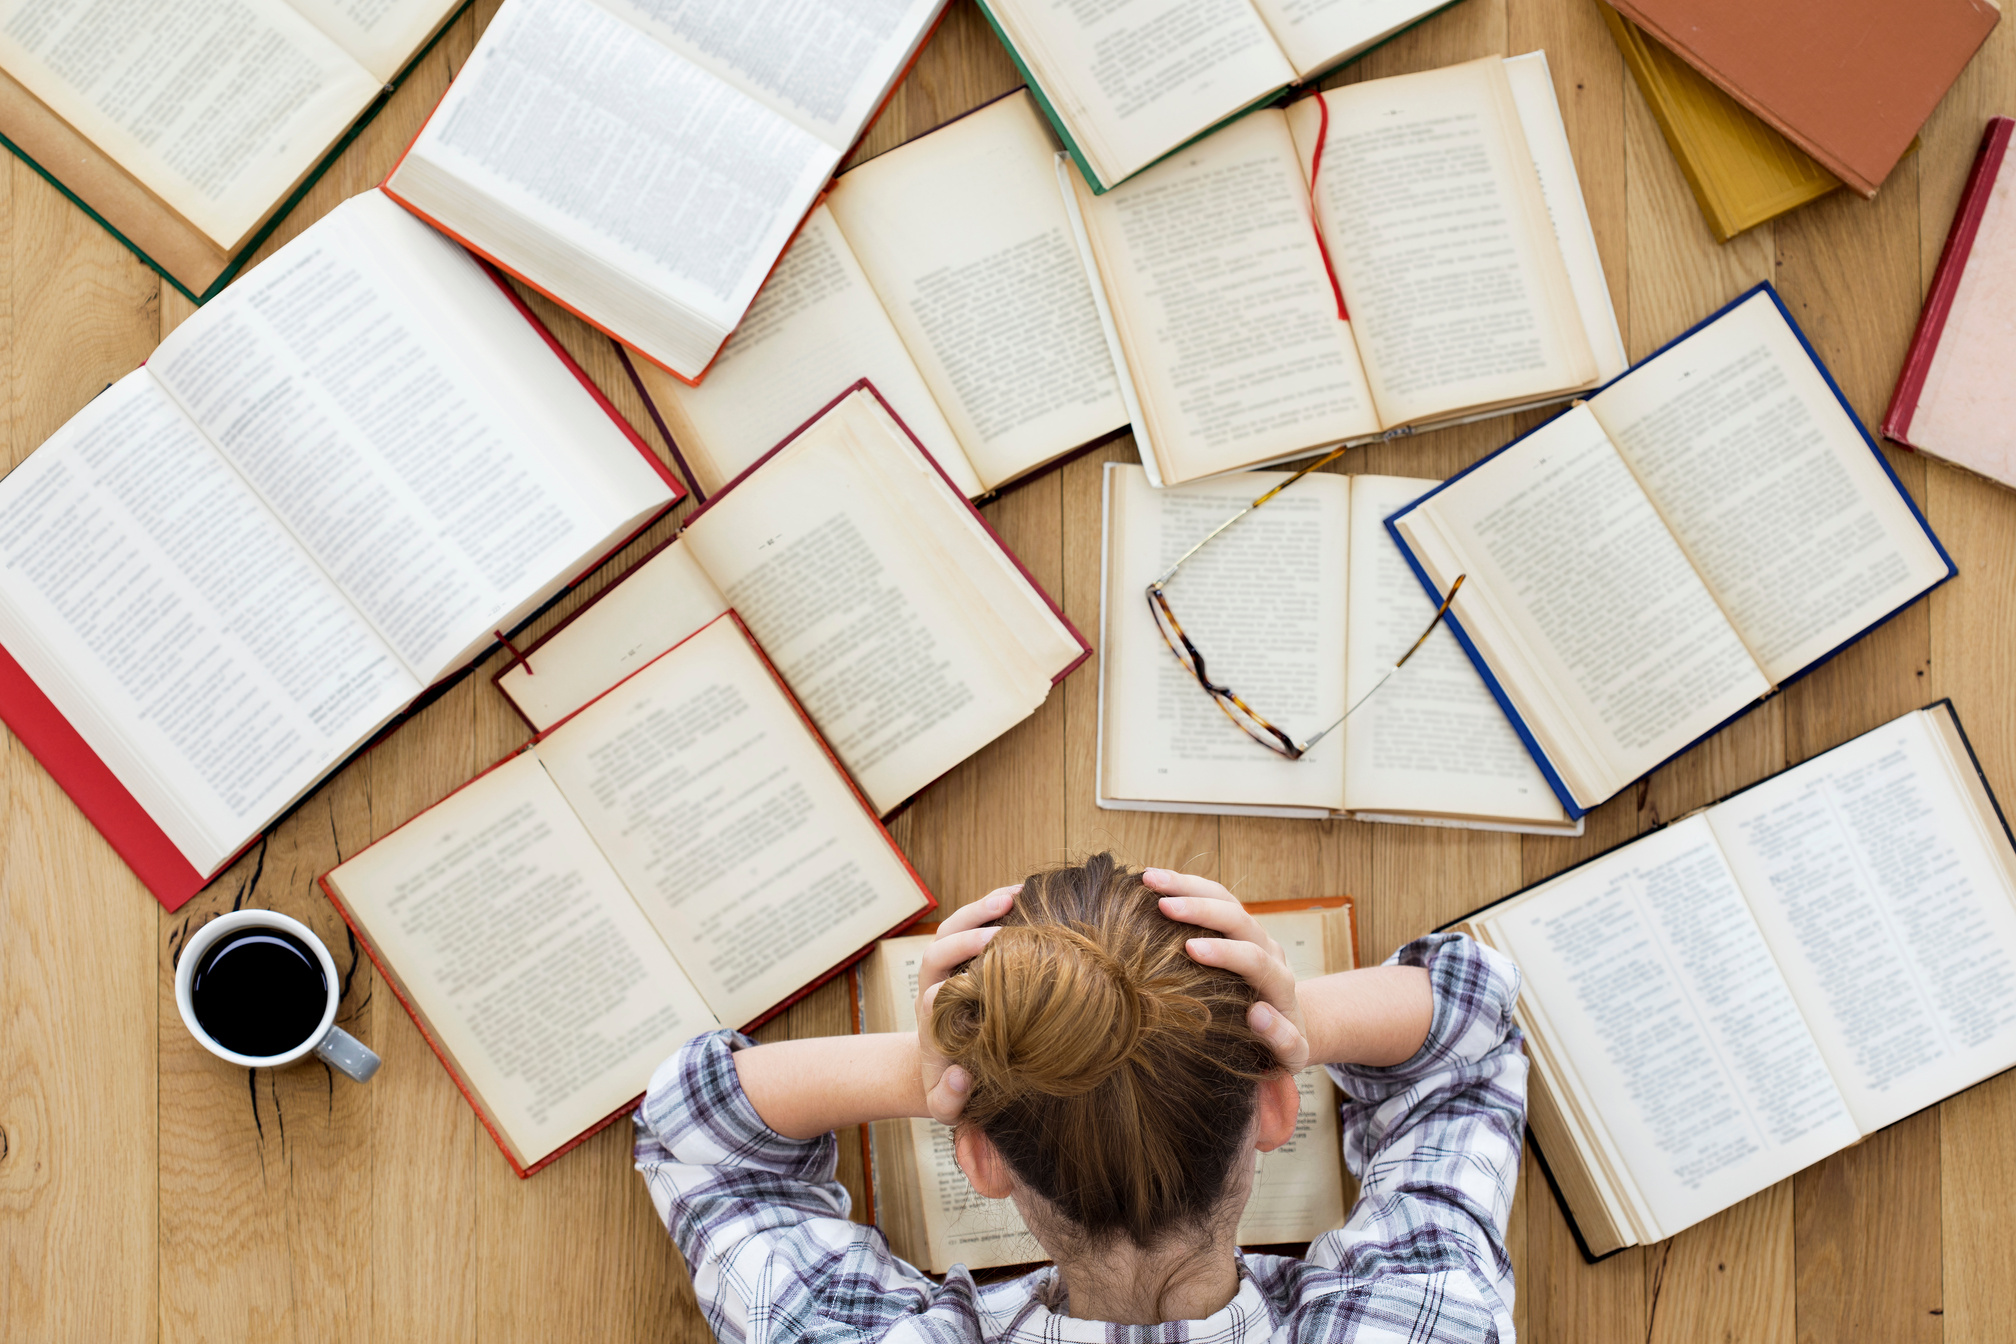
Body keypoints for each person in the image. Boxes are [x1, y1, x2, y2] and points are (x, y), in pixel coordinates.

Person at [634, 853, 1527, 1343]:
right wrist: (1294, 1016)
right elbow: (1473, 1028)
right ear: (1276, 1109)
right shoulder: (1420, 1321)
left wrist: (923, 1070)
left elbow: (692, 1131)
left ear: (979, 1157)